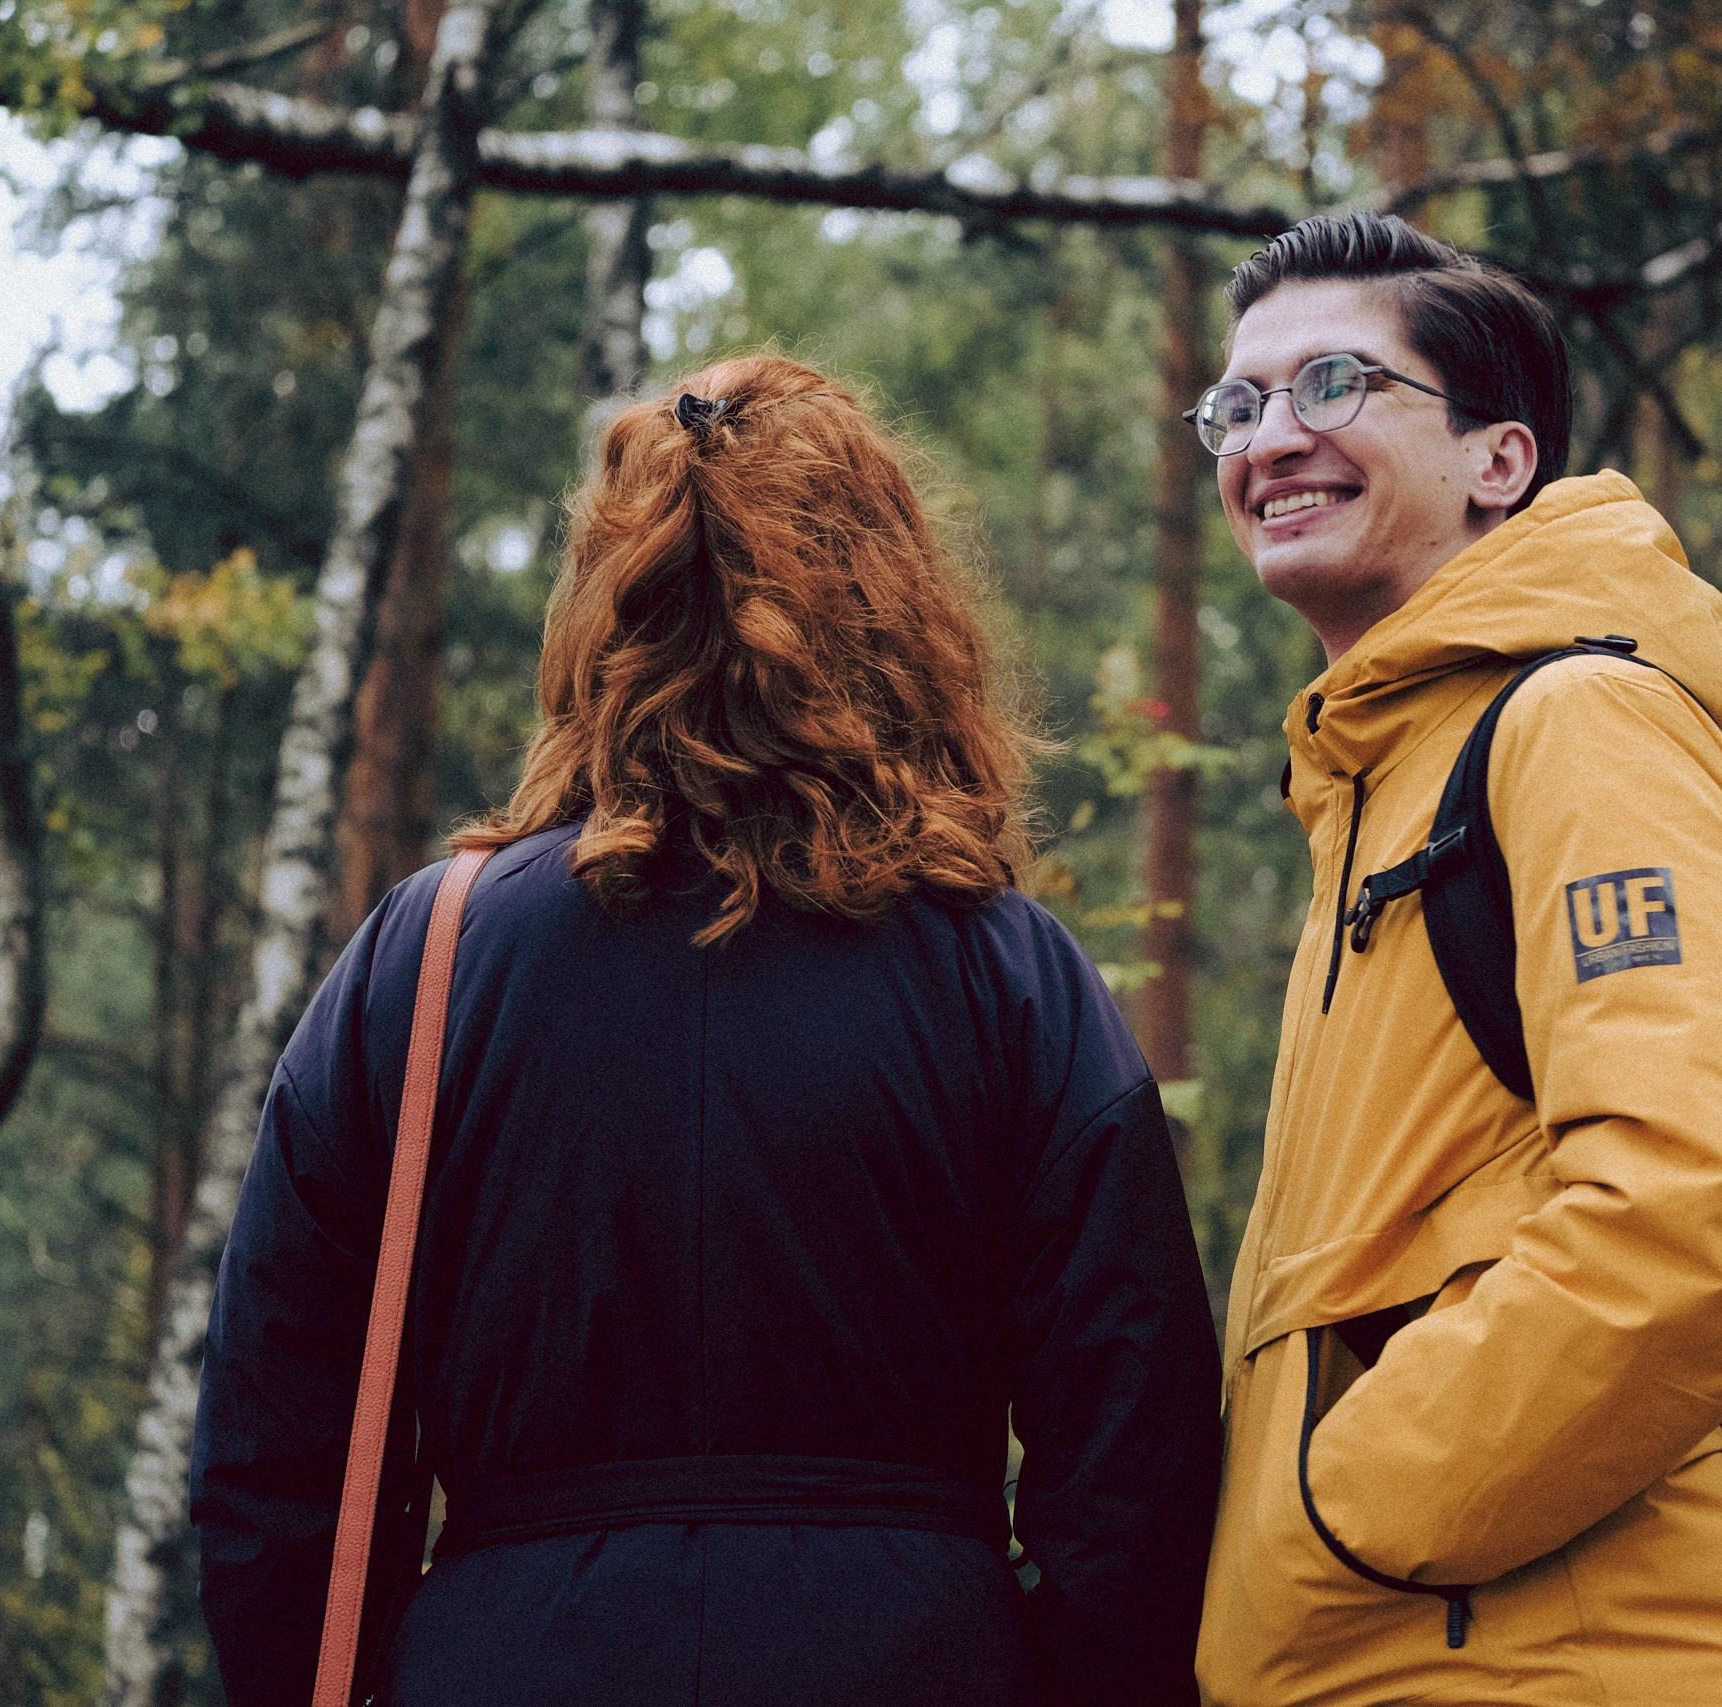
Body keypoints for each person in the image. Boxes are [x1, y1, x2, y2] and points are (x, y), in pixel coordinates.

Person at [191, 354, 1222, 1707]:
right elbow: (1136, 1451)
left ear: (601, 613)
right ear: (894, 606)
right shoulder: (1007, 975)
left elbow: (273, 1452)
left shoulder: (422, 960)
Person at [1191, 211, 1722, 1705]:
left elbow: (1706, 1214)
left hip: (1562, 1659)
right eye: (1239, 405)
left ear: (1500, 460)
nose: (1270, 440)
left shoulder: (1580, 722)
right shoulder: (1374, 786)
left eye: (1335, 384)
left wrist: (1346, 1508)